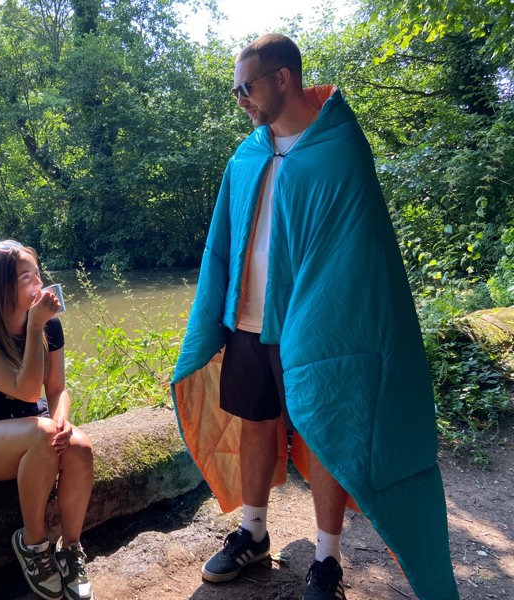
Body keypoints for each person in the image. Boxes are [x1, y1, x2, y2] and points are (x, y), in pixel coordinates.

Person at [170, 34, 458, 599]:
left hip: (321, 327)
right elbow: (223, 243)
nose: (240, 100)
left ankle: (326, 559)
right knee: (256, 422)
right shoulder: (248, 153)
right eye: (234, 91)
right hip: (248, 319)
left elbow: (359, 251)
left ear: (283, 78)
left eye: (246, 87)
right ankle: (253, 531)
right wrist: (219, 316)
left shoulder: (341, 145)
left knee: (327, 432)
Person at [0, 239, 94, 600]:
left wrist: (61, 421)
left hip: (34, 427)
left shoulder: (50, 326)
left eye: (37, 274)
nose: (37, 283)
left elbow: (57, 389)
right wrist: (33, 327)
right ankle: (32, 545)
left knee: (79, 446)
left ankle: (71, 548)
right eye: (25, 277)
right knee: (42, 434)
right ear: (1, 287)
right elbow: (27, 391)